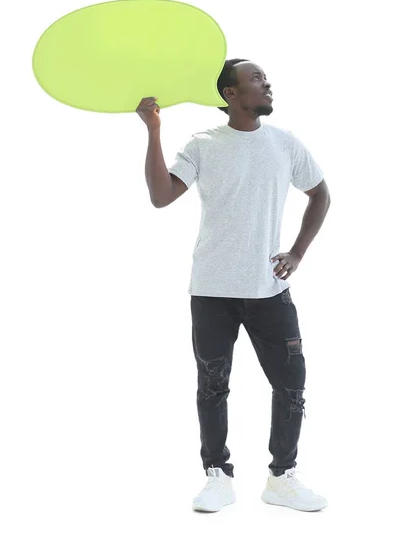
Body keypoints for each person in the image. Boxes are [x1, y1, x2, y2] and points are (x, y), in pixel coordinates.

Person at [137, 59, 331, 513]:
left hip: (269, 291)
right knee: (212, 386)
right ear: (230, 94)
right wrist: (153, 131)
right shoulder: (204, 145)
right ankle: (218, 476)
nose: (267, 85)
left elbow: (321, 193)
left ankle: (282, 478)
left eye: (265, 79)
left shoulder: (284, 143)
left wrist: (298, 252)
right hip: (212, 291)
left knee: (291, 385)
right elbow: (162, 196)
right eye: (257, 80)